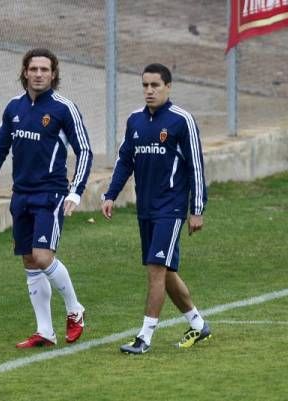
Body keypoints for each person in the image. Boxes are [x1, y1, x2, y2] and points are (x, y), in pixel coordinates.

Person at [0, 48, 92, 348]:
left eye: (45, 69)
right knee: (29, 260)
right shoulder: (13, 107)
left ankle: (75, 309)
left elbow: (85, 151)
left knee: (43, 256)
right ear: (25, 72)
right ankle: (45, 331)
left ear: (54, 74)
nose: (39, 74)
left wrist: (75, 192)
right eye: (34, 69)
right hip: (21, 195)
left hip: (50, 194)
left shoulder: (64, 109)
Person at [101, 63, 210, 354]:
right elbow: (126, 160)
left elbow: (196, 167)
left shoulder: (181, 120)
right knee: (165, 270)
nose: (149, 91)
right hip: (145, 209)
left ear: (168, 87)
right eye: (145, 86)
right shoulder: (135, 120)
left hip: (170, 209)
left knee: (156, 269)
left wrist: (196, 209)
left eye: (155, 86)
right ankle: (198, 325)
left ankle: (144, 337)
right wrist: (110, 194)